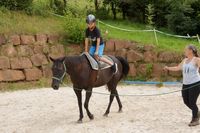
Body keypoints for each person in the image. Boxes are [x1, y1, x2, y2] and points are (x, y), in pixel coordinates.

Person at [164, 44, 200, 126]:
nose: (184, 51)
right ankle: (197, 112)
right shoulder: (185, 60)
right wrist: (168, 68)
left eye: (186, 49)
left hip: (195, 83)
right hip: (186, 84)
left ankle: (195, 119)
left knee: (192, 102)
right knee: (186, 101)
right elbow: (177, 68)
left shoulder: (197, 60)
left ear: (191, 50)